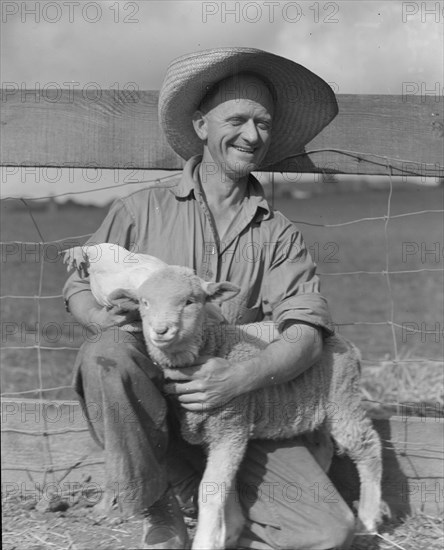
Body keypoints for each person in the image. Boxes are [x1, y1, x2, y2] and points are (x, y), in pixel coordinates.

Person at [63, 47, 356, 549]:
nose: (251, 134)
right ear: (201, 125)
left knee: (329, 534)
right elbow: (77, 288)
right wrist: (110, 322)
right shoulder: (140, 211)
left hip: (241, 414)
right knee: (105, 356)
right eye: (236, 119)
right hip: (161, 400)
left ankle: (220, 497)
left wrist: (239, 376)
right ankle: (163, 512)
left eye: (263, 123)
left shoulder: (279, 235)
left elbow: (307, 335)